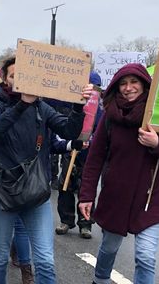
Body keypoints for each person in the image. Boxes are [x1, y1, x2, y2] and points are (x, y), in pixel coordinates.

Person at [0, 57, 93, 284]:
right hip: (1, 194)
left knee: (44, 259)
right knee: (0, 257)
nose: (20, 81)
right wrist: (22, 103)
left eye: (24, 76)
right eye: (14, 76)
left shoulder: (41, 107)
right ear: (5, 79)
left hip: (36, 194)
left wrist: (78, 105)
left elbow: (69, 130)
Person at [79, 63, 159, 284]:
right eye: (123, 84)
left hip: (149, 199)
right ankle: (100, 280)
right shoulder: (110, 116)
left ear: (145, 84)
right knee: (109, 248)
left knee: (145, 257)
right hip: (115, 196)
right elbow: (95, 158)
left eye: (134, 82)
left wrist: (157, 144)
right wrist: (87, 195)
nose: (128, 88)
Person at [55, 71, 103, 240]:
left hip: (90, 155)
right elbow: (65, 124)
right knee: (65, 185)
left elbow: (102, 131)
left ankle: (86, 223)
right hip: (71, 151)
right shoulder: (72, 104)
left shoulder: (101, 111)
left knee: (86, 189)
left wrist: (92, 140)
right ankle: (66, 220)